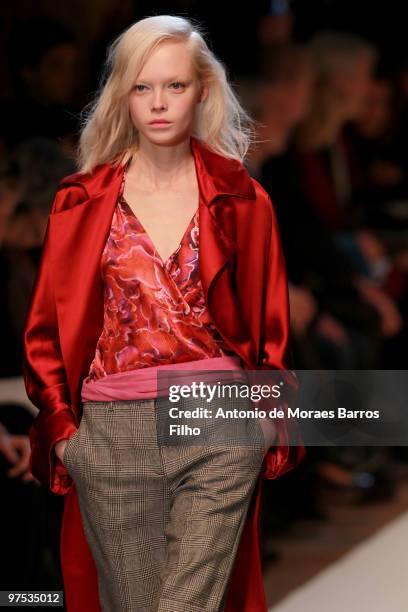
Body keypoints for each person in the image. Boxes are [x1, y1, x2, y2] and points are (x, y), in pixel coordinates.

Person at [22, 15, 305, 612]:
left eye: (174, 86)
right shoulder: (81, 200)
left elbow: (267, 325)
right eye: (142, 86)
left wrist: (263, 420)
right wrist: (67, 436)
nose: (158, 103)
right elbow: (48, 324)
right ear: (122, 94)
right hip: (111, 431)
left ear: (202, 90)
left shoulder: (242, 199)